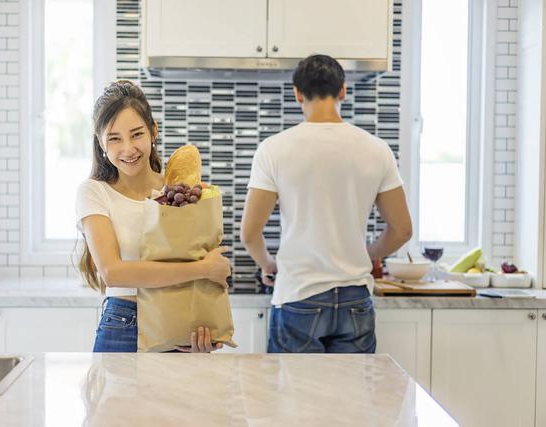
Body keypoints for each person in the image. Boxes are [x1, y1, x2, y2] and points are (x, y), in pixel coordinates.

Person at [240, 54, 413, 353]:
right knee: (351, 399)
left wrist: (269, 264)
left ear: (297, 93)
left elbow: (250, 233)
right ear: (343, 90)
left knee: (293, 400)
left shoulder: (274, 149)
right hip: (355, 299)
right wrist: (368, 254)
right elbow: (401, 231)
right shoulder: (376, 149)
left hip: (298, 295)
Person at [76, 80, 231, 353]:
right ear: (101, 144)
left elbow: (203, 258)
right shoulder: (94, 193)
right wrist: (202, 269)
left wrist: (192, 325)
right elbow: (113, 272)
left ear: (153, 131)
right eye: (114, 138)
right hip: (122, 324)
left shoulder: (178, 191)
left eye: (136, 134)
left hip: (174, 319)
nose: (128, 149)